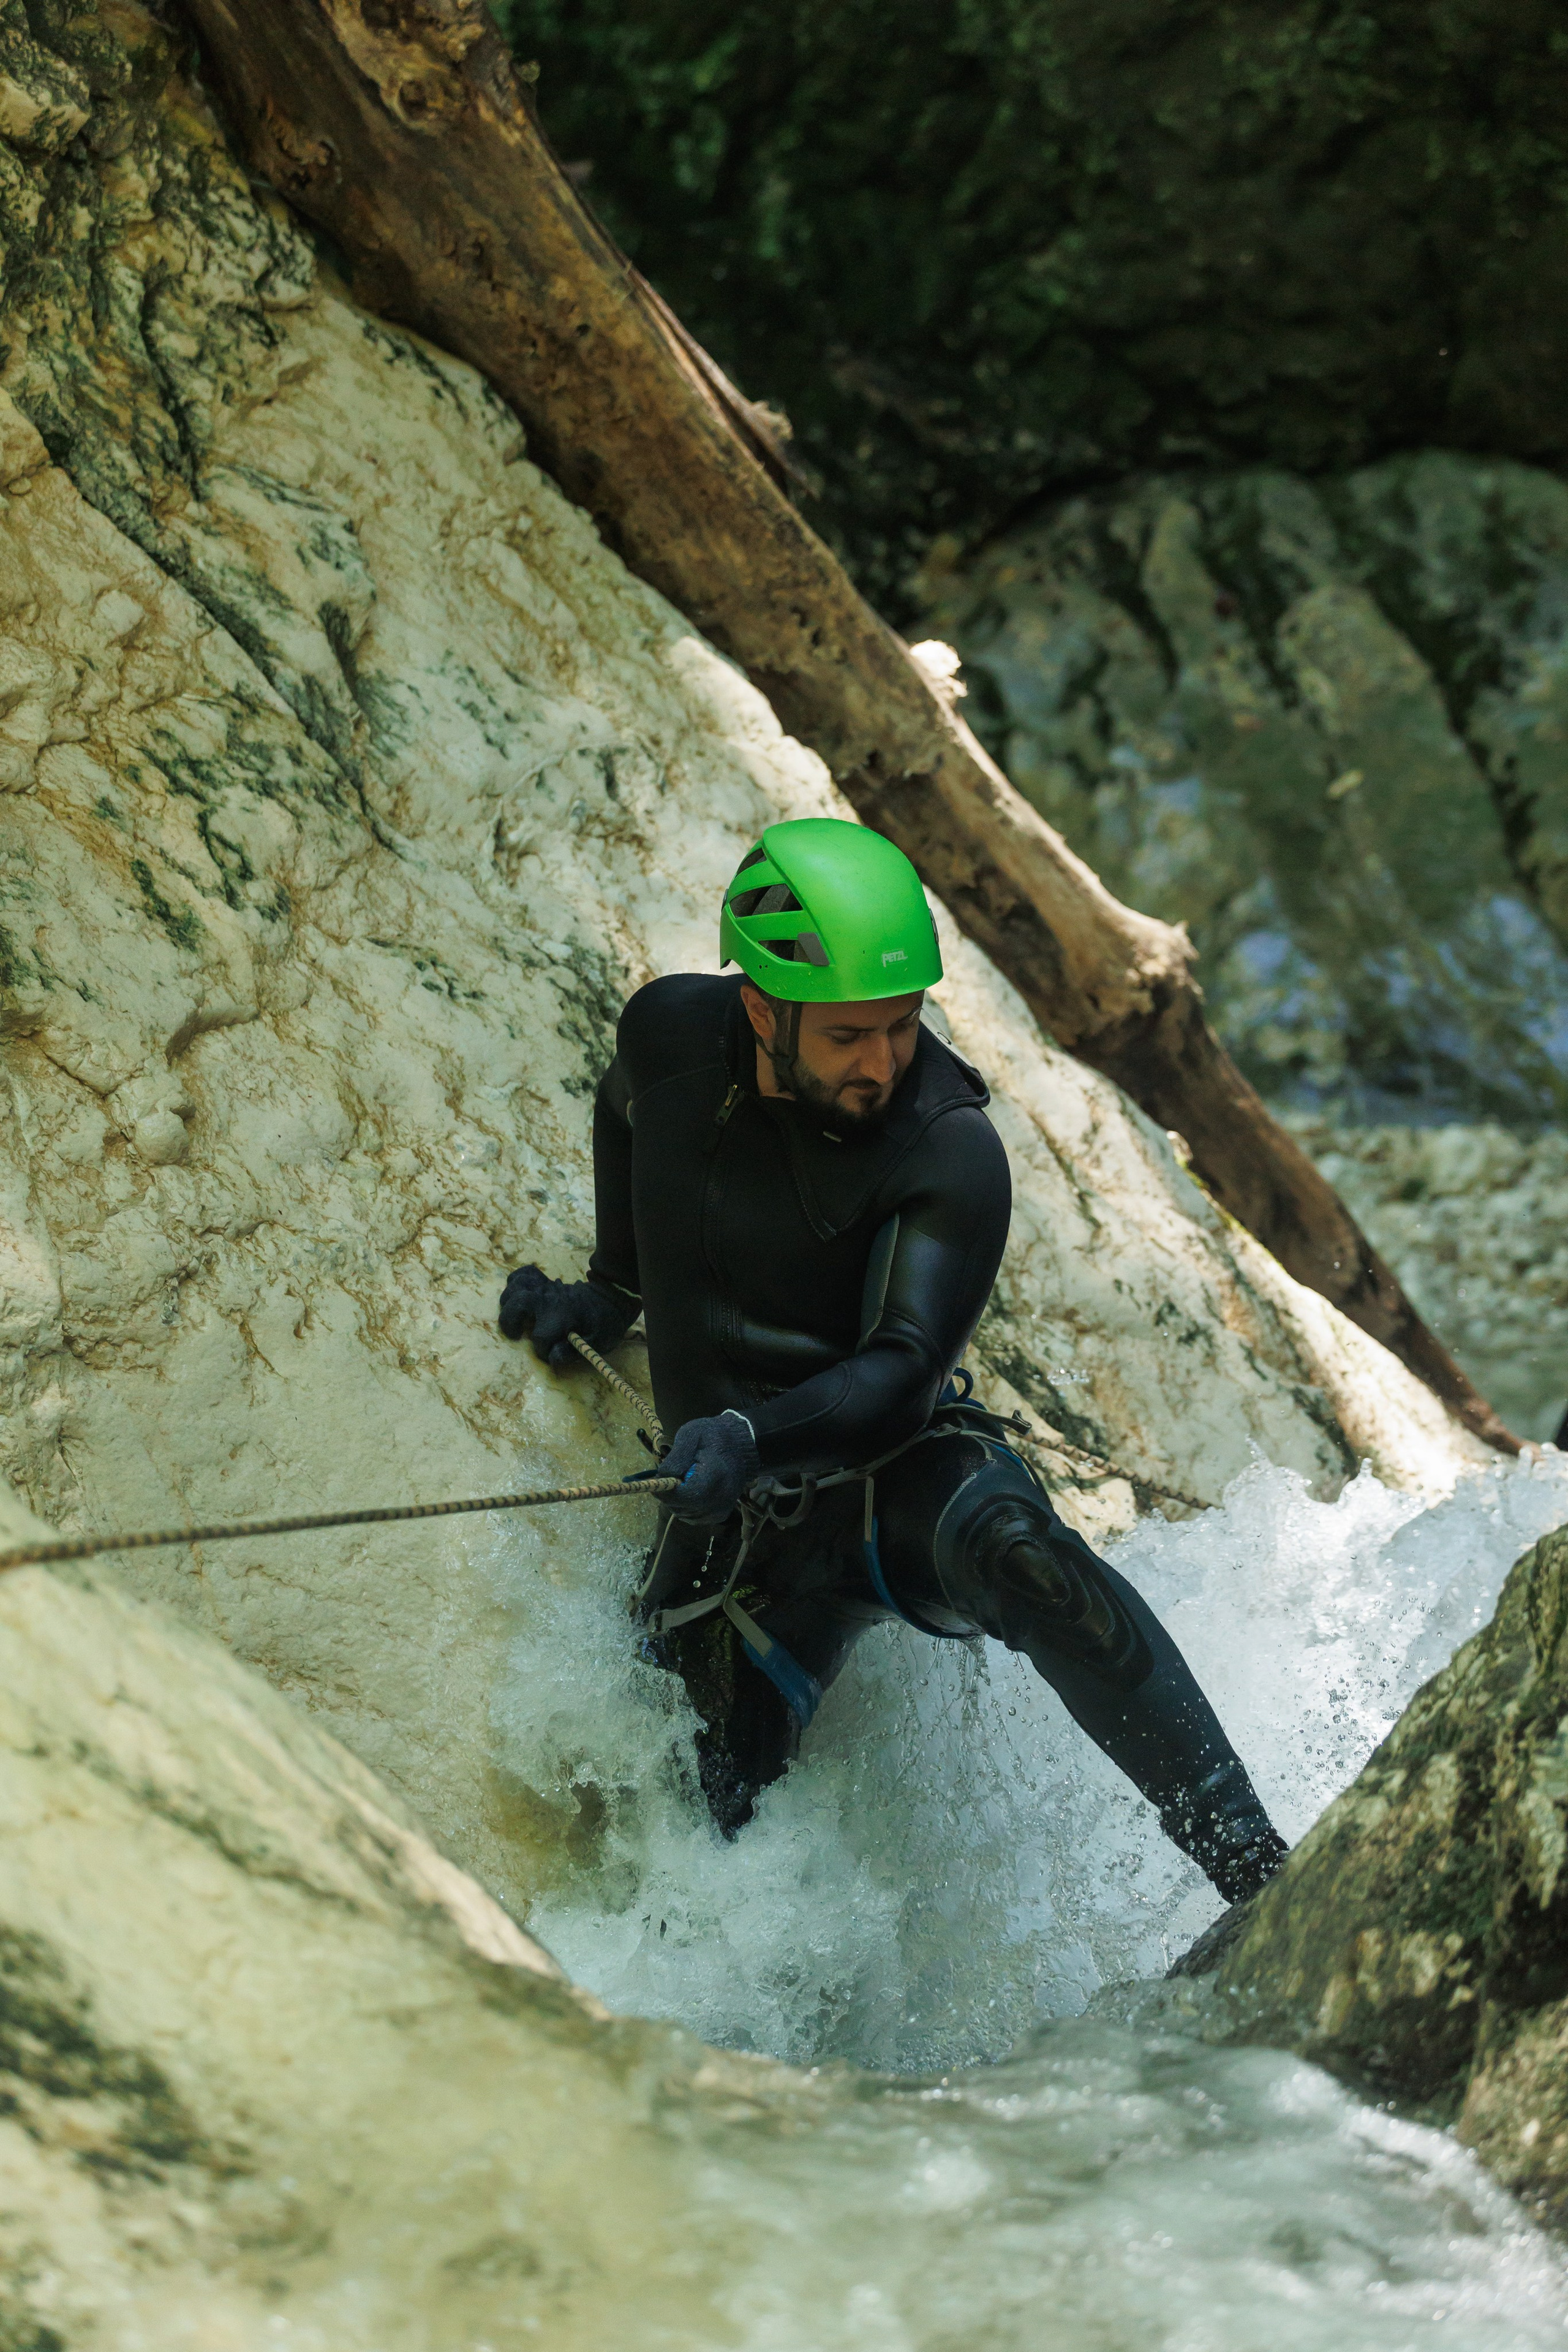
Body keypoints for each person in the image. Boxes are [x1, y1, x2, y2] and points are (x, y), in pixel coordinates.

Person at [499, 818, 1287, 1904]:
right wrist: (610, 1285)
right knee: (701, 1838)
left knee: (1024, 1555)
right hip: (738, 1551)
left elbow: (903, 1372)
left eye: (902, 1025)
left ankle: (1259, 1872)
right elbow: (623, 1109)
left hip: (885, 1490)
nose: (882, 1064)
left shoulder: (947, 1147)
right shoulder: (671, 1036)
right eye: (847, 1038)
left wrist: (746, 1434)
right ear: (763, 1009)